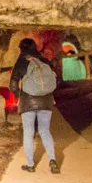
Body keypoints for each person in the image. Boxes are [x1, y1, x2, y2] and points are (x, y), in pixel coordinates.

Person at [10, 38, 60, 174]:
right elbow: (55, 80)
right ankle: (52, 160)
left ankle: (31, 165)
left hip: (28, 101)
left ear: (21, 49)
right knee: (45, 130)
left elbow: (13, 85)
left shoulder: (21, 62)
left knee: (29, 132)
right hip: (46, 101)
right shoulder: (44, 61)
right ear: (35, 47)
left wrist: (19, 96)